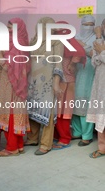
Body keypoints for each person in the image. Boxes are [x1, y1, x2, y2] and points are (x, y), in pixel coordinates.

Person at [27, 17, 64, 155]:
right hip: (34, 81)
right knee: (33, 110)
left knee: (47, 112)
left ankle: (46, 144)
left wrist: (56, 83)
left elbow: (58, 63)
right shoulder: (34, 41)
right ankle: (32, 138)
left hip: (47, 82)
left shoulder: (57, 42)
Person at [0, 18, 31, 156]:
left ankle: (11, 148)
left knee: (10, 113)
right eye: (8, 25)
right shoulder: (18, 41)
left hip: (12, 84)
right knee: (16, 113)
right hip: (17, 84)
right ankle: (19, 145)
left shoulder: (17, 45)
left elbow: (7, 66)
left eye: (11, 26)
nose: (8, 28)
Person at [53, 21, 86, 150]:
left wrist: (72, 63)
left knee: (64, 112)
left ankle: (65, 139)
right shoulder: (58, 43)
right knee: (57, 111)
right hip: (58, 81)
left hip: (67, 81)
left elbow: (79, 52)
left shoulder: (69, 42)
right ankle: (58, 135)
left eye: (60, 31)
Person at [72, 15, 96, 146]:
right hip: (74, 73)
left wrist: (83, 47)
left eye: (91, 24)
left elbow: (95, 54)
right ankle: (76, 132)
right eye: (86, 24)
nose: (88, 27)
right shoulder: (76, 37)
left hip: (88, 74)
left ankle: (87, 135)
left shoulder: (97, 39)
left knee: (85, 103)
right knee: (74, 104)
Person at [87, 28, 105, 158]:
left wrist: (102, 52)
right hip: (100, 85)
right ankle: (102, 147)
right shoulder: (100, 42)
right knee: (100, 115)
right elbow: (94, 62)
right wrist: (100, 53)